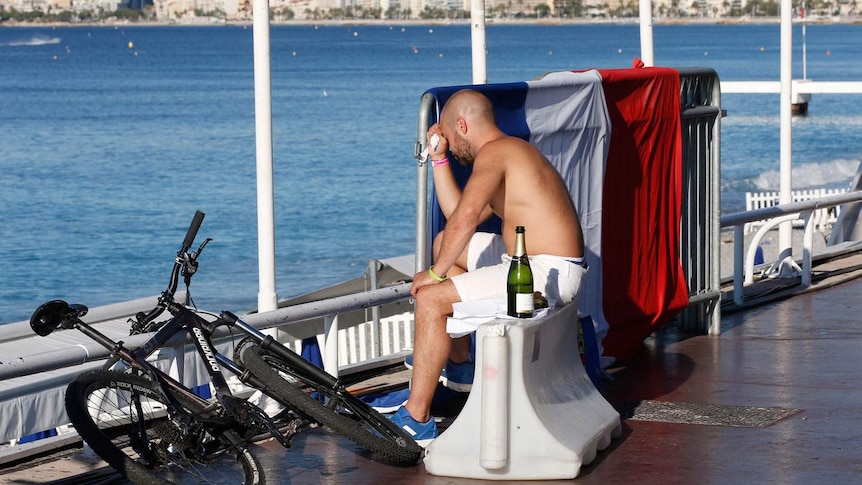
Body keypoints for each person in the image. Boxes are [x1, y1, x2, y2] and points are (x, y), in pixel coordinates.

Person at [390, 89, 588, 446]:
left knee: (432, 300)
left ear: (462, 125)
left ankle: (416, 420)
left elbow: (464, 218)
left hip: (544, 271)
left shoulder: (496, 153)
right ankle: (462, 363)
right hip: (540, 261)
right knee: (444, 246)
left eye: (449, 139)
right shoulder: (508, 151)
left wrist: (434, 276)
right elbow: (458, 215)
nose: (449, 145)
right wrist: (438, 159)